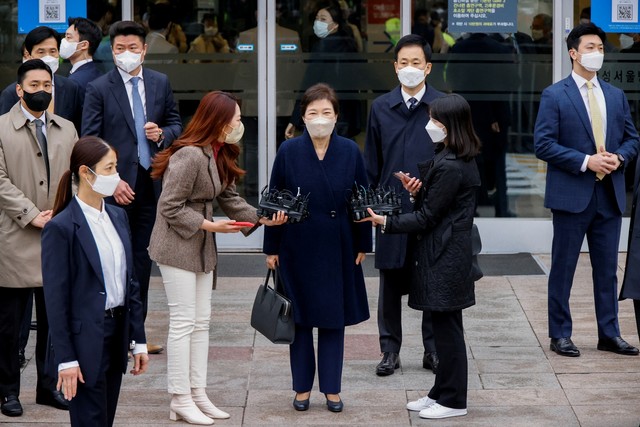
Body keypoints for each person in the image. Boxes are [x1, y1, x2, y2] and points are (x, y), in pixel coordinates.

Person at [148, 91, 286, 425]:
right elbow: (168, 206)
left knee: (201, 323)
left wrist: (262, 217)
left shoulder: (216, 152)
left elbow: (229, 197)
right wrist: (209, 224)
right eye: (236, 119)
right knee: (183, 322)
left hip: (200, 245)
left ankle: (197, 393)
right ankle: (180, 397)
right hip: (176, 244)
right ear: (218, 121)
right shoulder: (189, 155)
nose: (240, 124)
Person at [361, 93, 481, 420]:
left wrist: (386, 221)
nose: (430, 126)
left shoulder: (453, 165)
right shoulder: (449, 157)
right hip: (442, 253)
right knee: (444, 329)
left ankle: (454, 400)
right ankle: (439, 392)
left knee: (449, 332)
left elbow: (428, 218)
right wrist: (417, 191)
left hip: (446, 256)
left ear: (451, 126)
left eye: (436, 121)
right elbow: (435, 207)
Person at [263, 83, 371, 413]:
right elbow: (273, 203)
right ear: (303, 117)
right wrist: (272, 248)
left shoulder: (351, 151)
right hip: (297, 243)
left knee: (332, 320)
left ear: (336, 117)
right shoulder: (289, 151)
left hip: (339, 243)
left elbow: (361, 199)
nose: (320, 119)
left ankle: (333, 389)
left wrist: (363, 242)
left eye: (326, 113)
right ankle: (301, 388)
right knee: (299, 320)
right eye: (313, 113)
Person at [534, 23, 640, 358]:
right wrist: (585, 161)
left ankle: (609, 333)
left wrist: (619, 157)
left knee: (608, 270)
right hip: (571, 195)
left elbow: (632, 138)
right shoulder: (555, 95)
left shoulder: (615, 95)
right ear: (573, 53)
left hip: (609, 195)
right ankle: (560, 333)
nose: (597, 53)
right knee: (563, 267)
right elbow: (543, 144)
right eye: (590, 47)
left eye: (600, 48)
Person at [82, 20, 183, 355]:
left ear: (145, 49)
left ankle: (136, 335)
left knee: (141, 261)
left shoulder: (160, 82)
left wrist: (163, 135)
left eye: (133, 48)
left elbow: (175, 124)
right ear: (112, 51)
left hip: (151, 186)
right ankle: (113, 333)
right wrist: (111, 182)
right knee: (114, 260)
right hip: (115, 190)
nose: (127, 54)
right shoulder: (98, 88)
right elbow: (90, 142)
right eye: (120, 49)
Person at [41, 136, 149, 427]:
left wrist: (138, 339)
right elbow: (55, 298)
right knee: (90, 420)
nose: (116, 176)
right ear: (86, 174)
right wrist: (65, 359)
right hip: (84, 339)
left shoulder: (117, 216)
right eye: (109, 168)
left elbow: (131, 284)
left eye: (116, 167)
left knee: (105, 417)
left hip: (115, 334)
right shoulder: (61, 228)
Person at [0, 59, 77, 417]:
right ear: (19, 90)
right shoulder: (1, 128)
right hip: (16, 237)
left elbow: (78, 177)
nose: (41, 91)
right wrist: (33, 215)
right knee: (10, 325)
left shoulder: (67, 129)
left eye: (47, 85)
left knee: (54, 320)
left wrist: (62, 215)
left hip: (57, 236)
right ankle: (7, 392)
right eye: (34, 85)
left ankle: (49, 388)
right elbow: (0, 182)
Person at [364, 34, 443, 377]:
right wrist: (370, 205)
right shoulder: (381, 107)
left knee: (431, 278)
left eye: (417, 63)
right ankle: (389, 350)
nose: (410, 69)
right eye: (404, 63)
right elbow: (372, 162)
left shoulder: (442, 106)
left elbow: (452, 157)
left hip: (431, 207)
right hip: (391, 208)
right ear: (395, 67)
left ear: (428, 67)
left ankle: (433, 349)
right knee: (391, 280)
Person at [285, 0, 360, 140]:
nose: (318, 22)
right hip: (346, 115)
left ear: (335, 25)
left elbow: (309, 82)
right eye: (317, 18)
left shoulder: (323, 46)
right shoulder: (348, 44)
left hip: (326, 114)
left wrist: (295, 119)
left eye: (323, 19)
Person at [0, 26, 84, 132]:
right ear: (29, 55)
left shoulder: (71, 88)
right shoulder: (11, 93)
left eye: (53, 51)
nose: (48, 57)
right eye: (41, 52)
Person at [61, 17, 104, 91]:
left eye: (68, 37)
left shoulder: (75, 82)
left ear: (84, 45)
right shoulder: (100, 75)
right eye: (64, 37)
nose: (64, 41)